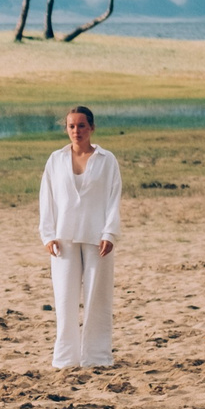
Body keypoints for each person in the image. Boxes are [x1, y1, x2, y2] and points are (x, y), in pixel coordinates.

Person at [39, 107, 121, 368]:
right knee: (64, 299)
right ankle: (66, 359)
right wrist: (47, 234)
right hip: (63, 237)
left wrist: (110, 232)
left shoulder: (107, 160)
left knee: (98, 297)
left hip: (98, 237)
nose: (76, 131)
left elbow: (113, 198)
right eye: (72, 126)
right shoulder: (55, 159)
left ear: (92, 128)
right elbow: (46, 198)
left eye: (82, 126)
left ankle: (97, 358)